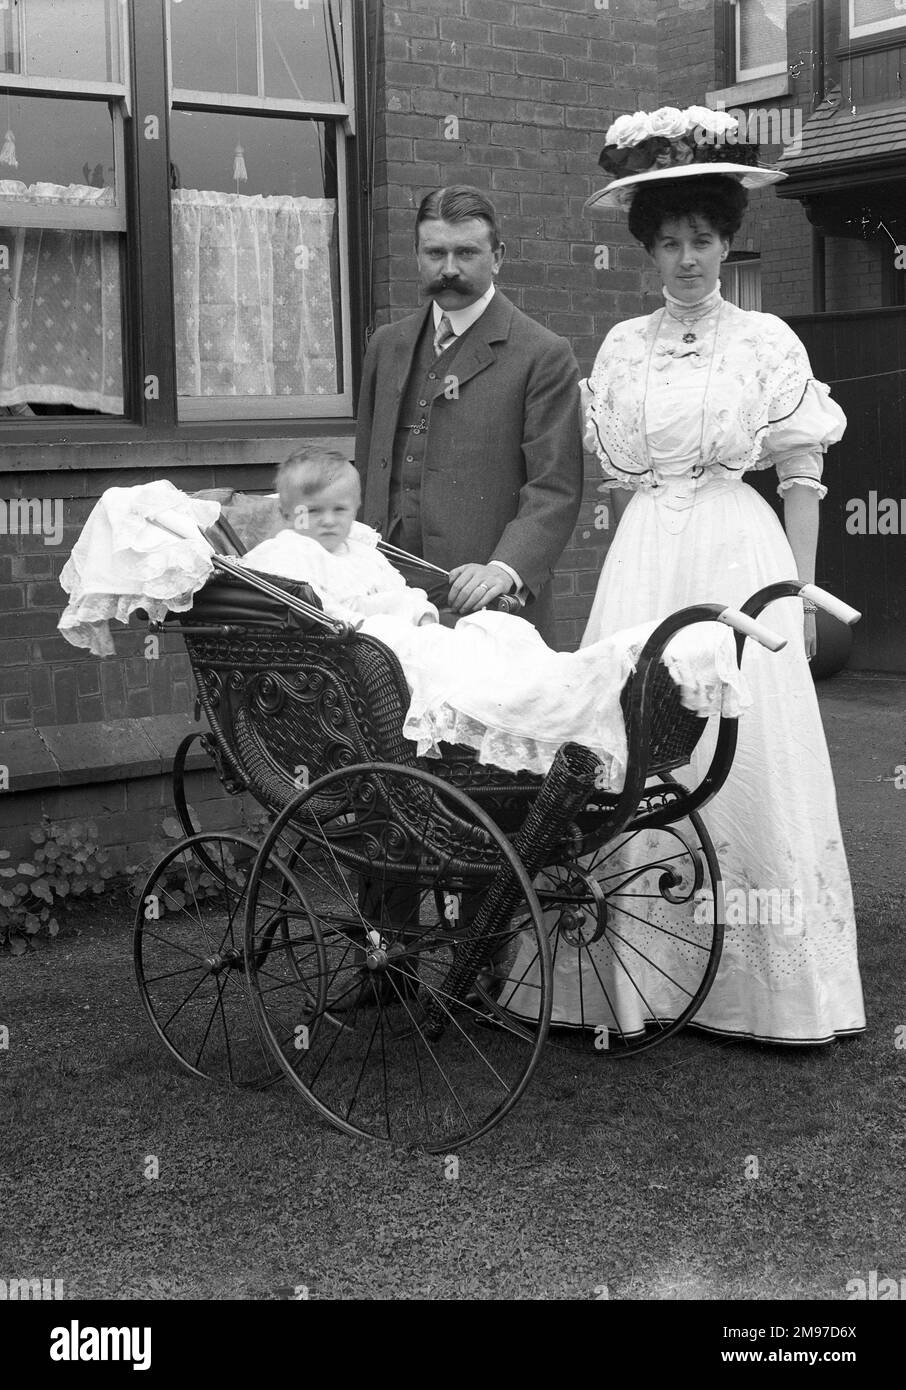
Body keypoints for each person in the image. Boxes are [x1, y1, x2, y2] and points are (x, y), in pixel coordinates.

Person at [559, 105, 865, 1044]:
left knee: (748, 748)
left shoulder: (767, 342)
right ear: (647, 252)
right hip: (649, 551)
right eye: (669, 242)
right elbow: (616, 468)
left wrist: (800, 600)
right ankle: (638, 972)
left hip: (741, 552)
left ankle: (762, 986)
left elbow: (804, 474)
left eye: (703, 239)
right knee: (638, 737)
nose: (688, 258)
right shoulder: (621, 348)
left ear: (728, 243)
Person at [240, 447, 749, 781]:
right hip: (357, 653)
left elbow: (398, 592)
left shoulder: (362, 550)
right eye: (314, 512)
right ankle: (554, 699)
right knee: (453, 663)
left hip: (400, 640)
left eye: (341, 510)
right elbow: (307, 608)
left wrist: (419, 613)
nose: (329, 522)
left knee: (495, 635)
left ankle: (573, 686)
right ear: (287, 514)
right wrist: (367, 626)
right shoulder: (283, 554)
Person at [353, 184, 583, 642]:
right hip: (386, 594)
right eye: (434, 253)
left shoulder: (543, 353)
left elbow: (554, 486)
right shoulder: (386, 345)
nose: (449, 269)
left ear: (497, 256)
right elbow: (368, 465)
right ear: (417, 255)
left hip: (481, 604)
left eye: (467, 253)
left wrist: (504, 568)